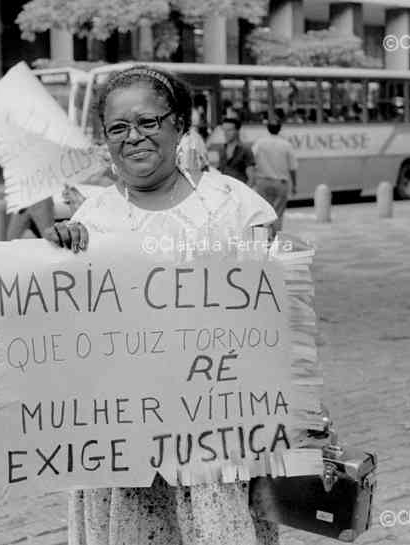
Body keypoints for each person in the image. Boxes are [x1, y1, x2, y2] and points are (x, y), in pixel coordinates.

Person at [42, 65, 286, 545]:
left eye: (148, 122)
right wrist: (54, 261)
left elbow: (272, 321)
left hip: (210, 447)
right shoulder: (92, 218)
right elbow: (65, 336)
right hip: (121, 446)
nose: (133, 137)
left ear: (179, 124)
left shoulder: (234, 207)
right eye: (117, 128)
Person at [251, 121, 298, 237]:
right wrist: (294, 185)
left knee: (263, 213)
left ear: (267, 129)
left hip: (262, 182)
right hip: (280, 183)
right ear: (280, 129)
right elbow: (292, 167)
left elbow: (252, 160)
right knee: (277, 214)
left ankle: (263, 239)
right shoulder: (286, 144)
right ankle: (275, 240)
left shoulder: (260, 143)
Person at [217, 117, 255, 184]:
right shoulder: (222, 149)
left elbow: (251, 178)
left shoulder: (245, 149)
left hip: (240, 188)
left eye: (229, 130)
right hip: (225, 188)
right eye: (224, 130)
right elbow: (221, 171)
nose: (226, 133)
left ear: (237, 131)